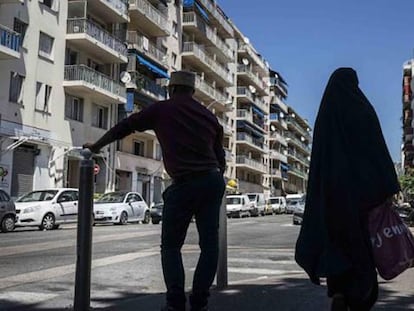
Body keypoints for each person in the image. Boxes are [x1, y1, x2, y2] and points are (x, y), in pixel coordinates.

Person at [83, 71, 226, 311]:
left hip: (183, 183)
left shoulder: (162, 109)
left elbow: (124, 127)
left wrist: (97, 145)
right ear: (192, 91)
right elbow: (220, 160)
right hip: (211, 181)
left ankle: (175, 304)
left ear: (171, 89)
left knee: (171, 246)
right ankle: (200, 302)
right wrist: (213, 178)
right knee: (210, 246)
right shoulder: (209, 116)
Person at [295, 68, 400, 311]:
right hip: (364, 198)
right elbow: (378, 150)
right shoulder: (363, 109)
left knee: (338, 248)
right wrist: (388, 188)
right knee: (362, 250)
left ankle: (339, 291)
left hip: (334, 198)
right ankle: (360, 296)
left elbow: (319, 162)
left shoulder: (326, 115)